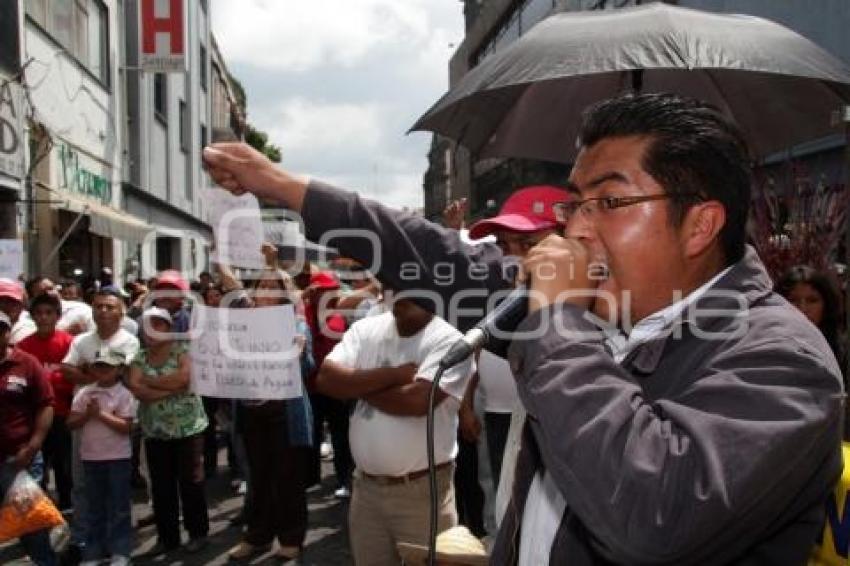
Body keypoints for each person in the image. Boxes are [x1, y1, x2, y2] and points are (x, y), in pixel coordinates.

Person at [204, 92, 844, 565]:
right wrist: (287, 187)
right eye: (576, 203)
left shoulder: (782, 360)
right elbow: (436, 258)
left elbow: (651, 517)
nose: (578, 229)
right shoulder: (603, 305)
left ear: (701, 225)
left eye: (610, 202)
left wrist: (559, 318)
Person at [316, 296, 475, 565]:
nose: (394, 289)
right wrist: (393, 376)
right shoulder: (366, 328)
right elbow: (326, 380)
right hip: (366, 489)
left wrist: (358, 383)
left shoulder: (451, 342)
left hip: (422, 492)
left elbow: (416, 401)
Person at [227, 269, 315, 562]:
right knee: (258, 476)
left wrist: (299, 352)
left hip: (283, 414)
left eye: (272, 286)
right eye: (261, 285)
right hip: (252, 412)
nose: (265, 290)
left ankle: (291, 538)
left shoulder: (297, 324)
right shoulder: (241, 325)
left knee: (287, 477)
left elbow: (307, 367)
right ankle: (258, 536)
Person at [60, 289, 140, 564]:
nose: (103, 311)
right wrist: (92, 376)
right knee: (83, 486)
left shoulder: (130, 341)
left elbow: (128, 375)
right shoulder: (81, 340)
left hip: (118, 423)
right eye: (98, 306)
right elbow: (67, 369)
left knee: (117, 492)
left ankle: (117, 546)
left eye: (109, 307)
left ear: (121, 312)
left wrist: (93, 375)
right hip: (84, 423)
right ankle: (84, 542)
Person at [127, 307, 209, 555]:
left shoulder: (183, 351)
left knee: (191, 483)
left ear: (168, 329)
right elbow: (137, 389)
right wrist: (173, 386)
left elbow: (184, 378)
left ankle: (198, 533)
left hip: (188, 429)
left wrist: (152, 382)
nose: (152, 331)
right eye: (148, 326)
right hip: (155, 431)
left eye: (158, 325)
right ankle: (167, 537)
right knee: (162, 487)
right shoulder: (139, 357)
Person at [66, 351, 136, 566]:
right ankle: (93, 553)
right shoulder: (85, 393)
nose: (103, 371)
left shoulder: (125, 394)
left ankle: (120, 551)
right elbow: (71, 423)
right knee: (94, 507)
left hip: (118, 458)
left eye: (108, 366)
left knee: (119, 507)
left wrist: (100, 415)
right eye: (99, 366)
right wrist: (87, 414)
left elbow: (126, 427)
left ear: (119, 369)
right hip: (91, 458)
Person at [0, 311, 57, 566]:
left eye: (0, 328)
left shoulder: (27, 363)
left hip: (20, 457)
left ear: (8, 332)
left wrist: (34, 445)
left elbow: (46, 405)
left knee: (31, 526)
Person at [18, 294, 76, 511]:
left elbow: (75, 379)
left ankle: (67, 505)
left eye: (48, 313)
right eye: (39, 313)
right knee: (37, 464)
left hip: (63, 414)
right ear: (32, 317)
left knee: (64, 464)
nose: (43, 318)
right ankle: (38, 509)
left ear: (57, 316)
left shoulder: (69, 343)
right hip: (35, 417)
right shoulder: (23, 346)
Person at [303, 270, 352, 497]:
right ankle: (310, 478)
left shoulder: (341, 314)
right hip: (311, 386)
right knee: (311, 435)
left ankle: (345, 479)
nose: (326, 294)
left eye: (330, 290)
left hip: (337, 387)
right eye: (321, 290)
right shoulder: (302, 313)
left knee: (341, 436)